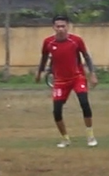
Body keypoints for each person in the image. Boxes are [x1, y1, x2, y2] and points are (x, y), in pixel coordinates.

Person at [35, 14, 99, 148]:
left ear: (68, 26)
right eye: (58, 26)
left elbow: (86, 57)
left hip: (77, 77)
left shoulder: (76, 41)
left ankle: (90, 136)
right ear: (53, 27)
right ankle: (65, 139)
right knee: (57, 111)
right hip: (60, 81)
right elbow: (44, 58)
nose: (60, 29)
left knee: (84, 103)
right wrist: (39, 72)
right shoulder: (48, 42)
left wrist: (92, 74)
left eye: (63, 26)